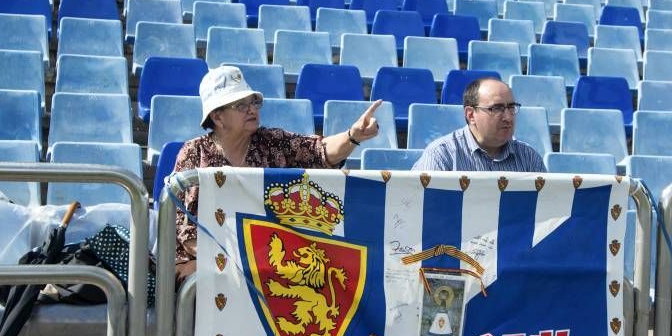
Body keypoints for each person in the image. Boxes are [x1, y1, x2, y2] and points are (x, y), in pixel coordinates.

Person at [173, 65, 381, 281]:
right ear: (217, 117)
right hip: (205, 259)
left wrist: (353, 136)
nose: (252, 109)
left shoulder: (271, 141)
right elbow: (186, 230)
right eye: (240, 105)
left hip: (263, 260)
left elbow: (319, 152)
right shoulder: (193, 153)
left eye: (254, 102)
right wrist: (231, 261)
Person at [412, 78, 545, 172]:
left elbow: (548, 208)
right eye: (497, 108)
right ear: (471, 115)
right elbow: (420, 207)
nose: (508, 117)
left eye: (511, 107)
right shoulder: (441, 156)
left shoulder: (528, 158)